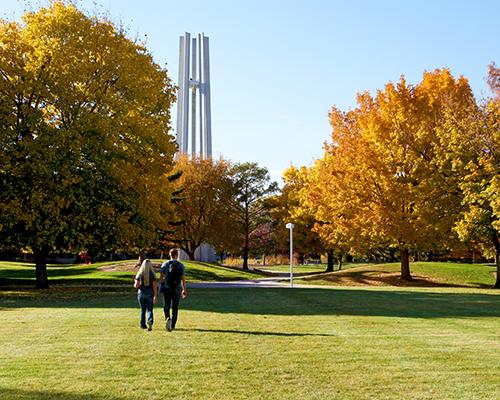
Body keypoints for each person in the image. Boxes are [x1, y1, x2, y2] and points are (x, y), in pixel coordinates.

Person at [160, 249, 187, 332]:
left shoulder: (165, 264)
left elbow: (161, 278)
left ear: (170, 254)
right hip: (177, 288)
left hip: (167, 288)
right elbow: (183, 279)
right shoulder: (181, 265)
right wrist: (184, 290)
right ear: (177, 255)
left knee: (166, 305)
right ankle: (173, 325)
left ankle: (168, 318)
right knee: (175, 307)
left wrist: (161, 285)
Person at [134, 259, 157, 331]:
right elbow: (154, 286)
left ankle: (142, 325)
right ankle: (150, 321)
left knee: (142, 310)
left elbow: (136, 286)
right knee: (150, 310)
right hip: (150, 293)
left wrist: (136, 281)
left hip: (141, 293)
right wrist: (155, 296)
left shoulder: (140, 274)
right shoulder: (152, 274)